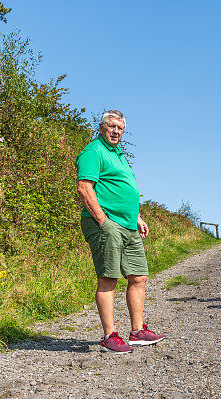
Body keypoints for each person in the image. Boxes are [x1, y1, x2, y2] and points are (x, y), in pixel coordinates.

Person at [76, 110, 166, 353]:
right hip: (107, 224)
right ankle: (109, 336)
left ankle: (137, 332)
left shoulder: (119, 155)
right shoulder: (94, 151)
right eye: (112, 126)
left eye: (120, 128)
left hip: (127, 225)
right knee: (109, 278)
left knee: (139, 277)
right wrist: (102, 221)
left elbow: (120, 190)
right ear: (102, 127)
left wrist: (136, 217)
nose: (116, 131)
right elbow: (85, 187)